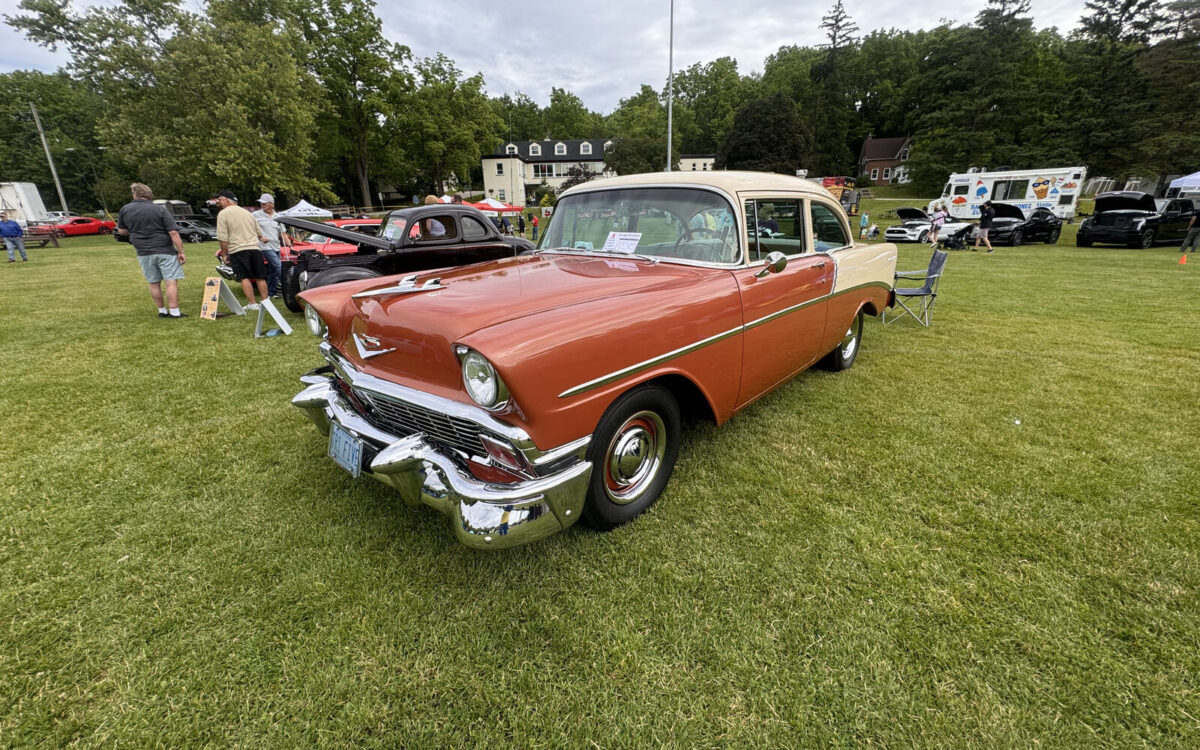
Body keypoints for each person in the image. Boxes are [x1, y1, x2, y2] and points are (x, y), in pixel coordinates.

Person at [117, 183, 188, 318]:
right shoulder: (159, 209)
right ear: (149, 195)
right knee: (171, 281)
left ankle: (161, 311)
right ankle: (174, 311)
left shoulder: (125, 209)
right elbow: (173, 232)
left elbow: (122, 231)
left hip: (143, 251)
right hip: (164, 249)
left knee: (154, 282)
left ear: (134, 194)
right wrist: (181, 251)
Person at [211, 190, 269, 309]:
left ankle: (252, 303)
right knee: (260, 276)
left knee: (244, 277)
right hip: (255, 248)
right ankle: (266, 302)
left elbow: (222, 237)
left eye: (221, 200)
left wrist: (224, 254)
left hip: (238, 249)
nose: (219, 202)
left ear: (227, 200)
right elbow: (258, 231)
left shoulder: (223, 214)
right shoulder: (247, 213)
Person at [252, 193, 290, 297]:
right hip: (264, 246)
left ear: (271, 204)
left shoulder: (278, 217)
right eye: (261, 203)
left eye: (264, 203)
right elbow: (250, 228)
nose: (262, 204)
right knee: (278, 266)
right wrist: (260, 237)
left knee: (273, 271)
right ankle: (290, 289)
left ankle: (271, 293)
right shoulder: (255, 215)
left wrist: (289, 245)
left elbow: (283, 233)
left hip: (276, 246)